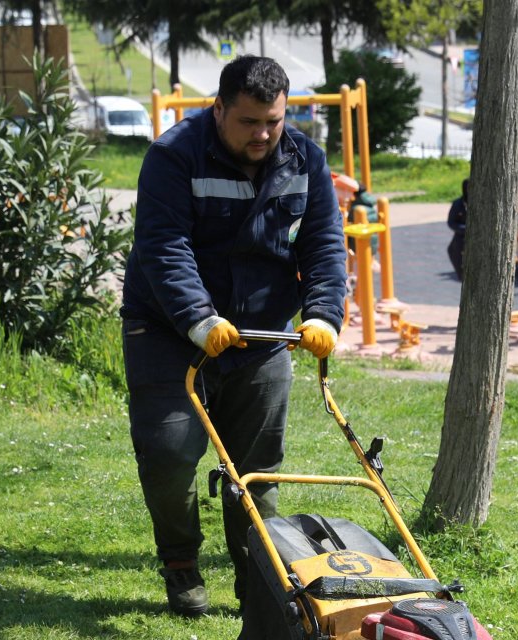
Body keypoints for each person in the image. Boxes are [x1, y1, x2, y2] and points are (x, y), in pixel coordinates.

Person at [120, 55, 347, 617]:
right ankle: (180, 564)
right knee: (170, 454)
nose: (264, 134)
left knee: (257, 472)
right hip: (169, 330)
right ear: (218, 108)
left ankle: (259, 591)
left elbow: (322, 244)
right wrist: (199, 318)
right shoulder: (174, 155)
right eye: (249, 122)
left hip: (262, 335)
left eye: (273, 120)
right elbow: (163, 245)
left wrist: (323, 314)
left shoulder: (305, 159)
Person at [446, 179, 469, 280]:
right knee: (453, 250)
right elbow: (451, 222)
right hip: (462, 235)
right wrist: (466, 230)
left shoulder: (483, 204)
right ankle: (462, 276)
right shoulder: (458, 204)